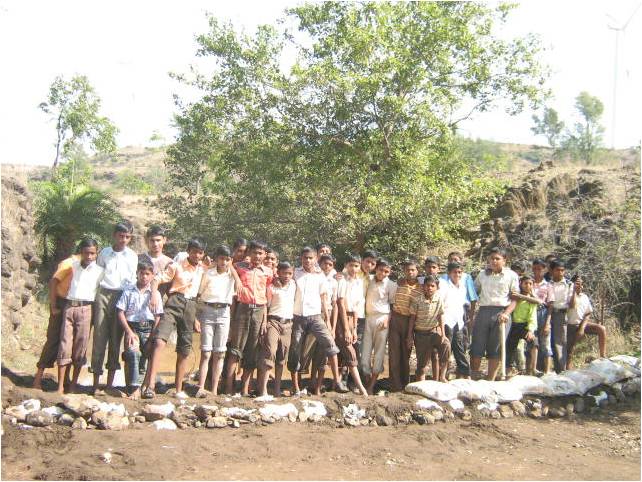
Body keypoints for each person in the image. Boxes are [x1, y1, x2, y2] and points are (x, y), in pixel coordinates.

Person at [143, 238, 206, 399]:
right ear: (188, 251)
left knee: (184, 348)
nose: (197, 255)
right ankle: (149, 386)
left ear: (203, 254)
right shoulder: (176, 266)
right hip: (174, 302)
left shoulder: (203, 269)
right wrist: (154, 296)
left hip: (191, 306)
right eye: (194, 251)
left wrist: (196, 319)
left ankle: (178, 390)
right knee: (159, 341)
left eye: (200, 252)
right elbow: (157, 279)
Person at [288, 247, 353, 395]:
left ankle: (337, 380)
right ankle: (295, 387)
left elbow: (324, 298)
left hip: (316, 316)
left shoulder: (320, 276)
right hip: (298, 317)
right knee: (295, 350)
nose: (308, 260)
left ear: (316, 259)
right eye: (305, 257)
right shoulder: (295, 273)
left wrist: (329, 322)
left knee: (330, 344)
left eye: (310, 258)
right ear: (301, 258)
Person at [91, 221, 138, 394]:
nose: (123, 240)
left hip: (121, 297)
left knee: (115, 340)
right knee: (99, 337)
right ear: (114, 235)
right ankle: (95, 382)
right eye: (121, 236)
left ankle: (110, 385)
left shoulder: (132, 256)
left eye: (127, 237)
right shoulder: (104, 253)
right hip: (103, 294)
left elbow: (133, 280)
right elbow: (97, 275)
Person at [56, 238, 104, 394]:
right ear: (81, 253)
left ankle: (73, 386)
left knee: (80, 347)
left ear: (96, 254)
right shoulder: (73, 265)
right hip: (70, 307)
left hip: (86, 309)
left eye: (92, 253)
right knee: (65, 345)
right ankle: (60, 386)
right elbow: (57, 279)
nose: (89, 256)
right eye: (86, 253)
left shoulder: (100, 271)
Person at [225, 240, 272, 395]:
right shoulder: (241, 267)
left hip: (259, 311)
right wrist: (238, 279)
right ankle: (229, 387)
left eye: (260, 253)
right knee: (235, 349)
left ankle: (245, 389)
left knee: (252, 350)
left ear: (265, 255)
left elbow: (266, 296)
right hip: (243, 310)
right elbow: (228, 265)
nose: (257, 256)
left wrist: (264, 320)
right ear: (249, 253)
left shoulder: (267, 272)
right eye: (254, 253)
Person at [195, 245, 238, 397]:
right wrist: (197, 317)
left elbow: (235, 294)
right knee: (206, 352)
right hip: (208, 310)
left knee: (220, 353)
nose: (224, 262)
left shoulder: (232, 276)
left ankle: (213, 389)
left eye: (227, 259)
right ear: (216, 258)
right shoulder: (209, 273)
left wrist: (232, 269)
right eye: (221, 258)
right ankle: (200, 387)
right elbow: (199, 295)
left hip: (224, 312)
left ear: (231, 261)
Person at [116, 260, 163, 399]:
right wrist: (129, 332)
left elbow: (158, 316)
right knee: (133, 355)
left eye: (147, 274)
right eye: (141, 273)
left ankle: (144, 386)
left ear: (152, 275)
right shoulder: (129, 291)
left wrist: (152, 337)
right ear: (137, 273)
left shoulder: (155, 294)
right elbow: (120, 312)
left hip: (148, 328)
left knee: (145, 358)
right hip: (132, 328)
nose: (144, 277)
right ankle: (134, 388)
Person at [470, 247, 518, 381]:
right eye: (492, 258)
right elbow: (474, 292)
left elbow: (515, 299)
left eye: (497, 258)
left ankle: (490, 380)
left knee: (496, 348)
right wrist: (472, 314)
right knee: (477, 346)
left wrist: (507, 313)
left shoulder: (511, 276)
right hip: (484, 311)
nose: (494, 261)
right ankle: (474, 377)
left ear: (504, 260)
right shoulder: (482, 275)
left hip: (502, 313)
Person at [33, 253, 78, 390]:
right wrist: (53, 305)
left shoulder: (89, 266)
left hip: (75, 304)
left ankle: (65, 380)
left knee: (72, 342)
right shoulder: (69, 263)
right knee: (53, 340)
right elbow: (54, 281)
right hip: (61, 302)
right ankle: (37, 380)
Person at [257, 261, 296, 397]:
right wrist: (264, 323)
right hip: (273, 321)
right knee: (270, 353)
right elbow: (265, 307)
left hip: (288, 324)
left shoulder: (293, 285)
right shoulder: (272, 287)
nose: (287, 276)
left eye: (290, 273)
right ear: (278, 273)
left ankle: (277, 390)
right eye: (284, 273)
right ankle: (263, 391)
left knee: (281, 358)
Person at [335, 253, 369, 396]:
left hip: (353, 318)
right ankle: (361, 388)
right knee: (349, 351)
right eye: (351, 265)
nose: (354, 269)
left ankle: (342, 383)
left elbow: (356, 307)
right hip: (342, 318)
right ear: (345, 266)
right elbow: (341, 305)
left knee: (351, 350)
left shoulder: (359, 282)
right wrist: (347, 329)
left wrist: (353, 329)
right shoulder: (342, 281)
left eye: (356, 266)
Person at [305, 253, 339, 395]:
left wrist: (332, 325)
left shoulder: (334, 281)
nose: (327, 266)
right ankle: (309, 382)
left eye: (330, 264)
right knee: (310, 351)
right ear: (319, 263)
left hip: (326, 316)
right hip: (313, 314)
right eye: (324, 263)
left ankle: (319, 386)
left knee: (324, 354)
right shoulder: (314, 276)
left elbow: (334, 304)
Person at [361, 258, 396, 394]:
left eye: (387, 271)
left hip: (383, 318)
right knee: (365, 354)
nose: (383, 273)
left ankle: (371, 386)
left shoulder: (391, 285)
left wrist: (388, 319)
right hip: (368, 318)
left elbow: (393, 305)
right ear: (376, 269)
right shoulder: (368, 280)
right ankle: (368, 381)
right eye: (381, 270)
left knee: (379, 352)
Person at [407, 275, 450, 382]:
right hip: (421, 334)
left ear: (437, 287)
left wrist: (443, 334)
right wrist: (409, 336)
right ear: (423, 286)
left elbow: (440, 316)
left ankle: (442, 376)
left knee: (446, 345)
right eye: (427, 285)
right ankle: (420, 384)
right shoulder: (417, 300)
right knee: (422, 364)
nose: (429, 288)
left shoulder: (438, 299)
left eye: (432, 286)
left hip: (434, 331)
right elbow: (412, 319)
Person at [388, 259, 422, 391]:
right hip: (396, 319)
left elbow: (434, 281)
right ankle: (394, 386)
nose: (410, 272)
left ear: (417, 271)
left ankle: (404, 384)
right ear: (404, 272)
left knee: (405, 353)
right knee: (394, 353)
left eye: (413, 270)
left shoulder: (421, 286)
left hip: (410, 321)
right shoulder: (398, 284)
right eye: (408, 270)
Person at [566, 274, 607, 369]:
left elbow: (588, 313)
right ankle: (568, 368)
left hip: (581, 323)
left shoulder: (584, 297)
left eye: (581, 284)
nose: (580, 286)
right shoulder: (568, 295)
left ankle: (603, 356)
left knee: (601, 329)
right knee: (569, 351)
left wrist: (582, 329)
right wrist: (573, 291)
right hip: (569, 326)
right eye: (577, 283)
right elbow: (572, 305)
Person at [440, 262, 472, 379]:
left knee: (459, 348)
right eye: (455, 272)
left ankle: (465, 373)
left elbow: (462, 305)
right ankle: (443, 375)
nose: (457, 275)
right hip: (447, 321)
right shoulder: (443, 285)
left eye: (459, 272)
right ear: (449, 273)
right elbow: (441, 305)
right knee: (446, 349)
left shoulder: (462, 287)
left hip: (458, 322)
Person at [505, 276, 538, 376]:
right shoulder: (515, 297)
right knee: (510, 347)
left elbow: (532, 316)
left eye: (530, 284)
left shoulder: (532, 300)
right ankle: (508, 369)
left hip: (524, 326)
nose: (528, 286)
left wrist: (531, 330)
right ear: (521, 283)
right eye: (525, 283)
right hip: (513, 325)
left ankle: (532, 368)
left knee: (534, 342)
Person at [549, 259, 573, 372]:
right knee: (545, 341)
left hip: (561, 314)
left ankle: (561, 370)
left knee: (560, 343)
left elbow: (571, 303)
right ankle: (543, 369)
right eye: (557, 270)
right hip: (547, 313)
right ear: (552, 271)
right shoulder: (548, 284)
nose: (560, 273)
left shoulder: (568, 284)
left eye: (562, 270)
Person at [532, 258, 554, 374]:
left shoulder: (548, 285)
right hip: (530, 314)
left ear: (544, 269)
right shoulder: (529, 283)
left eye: (539, 269)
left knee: (546, 343)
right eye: (534, 269)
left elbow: (550, 305)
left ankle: (547, 371)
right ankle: (531, 370)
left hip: (543, 313)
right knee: (531, 342)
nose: (536, 271)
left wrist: (547, 323)